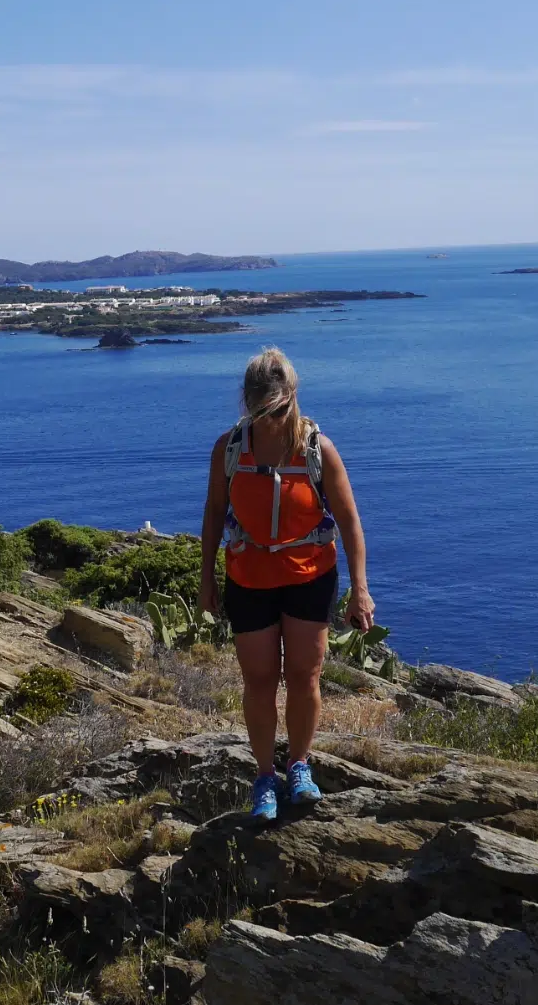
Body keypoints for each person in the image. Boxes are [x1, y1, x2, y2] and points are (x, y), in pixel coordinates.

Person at [200, 347, 374, 823]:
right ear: (247, 403)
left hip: (309, 579)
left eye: (277, 410)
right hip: (249, 579)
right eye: (260, 411)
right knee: (259, 682)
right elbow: (215, 514)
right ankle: (263, 777)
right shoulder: (230, 449)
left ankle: (299, 764)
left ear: (292, 398)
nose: (270, 420)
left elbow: (351, 522)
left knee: (304, 676)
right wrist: (206, 581)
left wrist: (360, 589)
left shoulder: (318, 449)